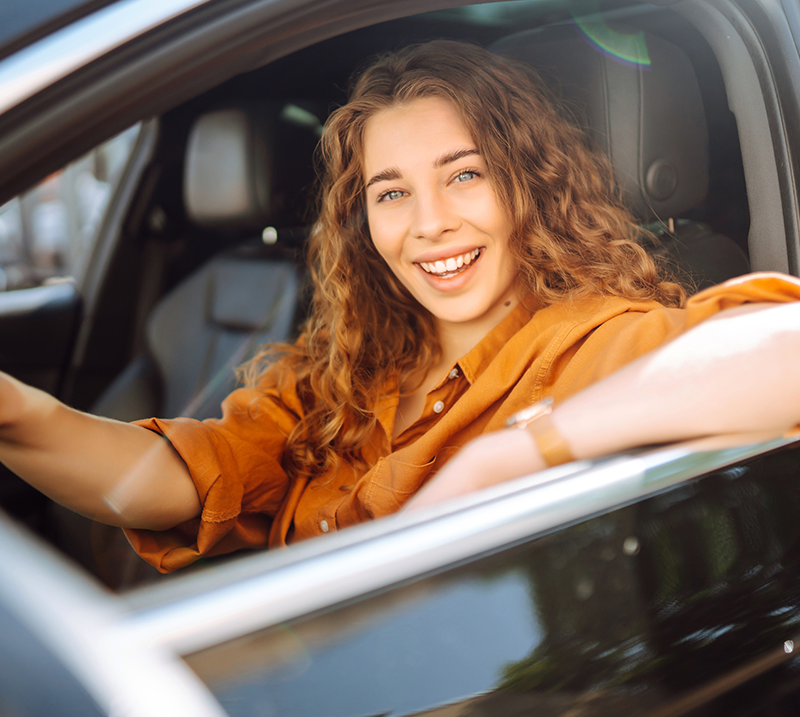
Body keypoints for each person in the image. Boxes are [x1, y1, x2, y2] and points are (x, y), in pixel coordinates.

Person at [2, 41, 800, 574]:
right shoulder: (345, 373)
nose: (429, 224)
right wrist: (20, 416)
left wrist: (509, 457)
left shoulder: (588, 344)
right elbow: (181, 478)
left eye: (464, 176)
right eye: (392, 193)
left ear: (529, 187)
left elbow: (785, 346)